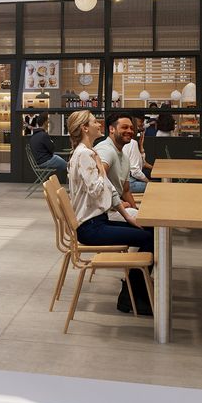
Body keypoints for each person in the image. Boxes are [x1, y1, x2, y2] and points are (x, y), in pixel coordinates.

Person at [64, 110, 151, 316]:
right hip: (90, 227)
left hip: (97, 221)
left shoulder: (89, 152)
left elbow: (110, 189)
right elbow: (97, 189)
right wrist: (102, 170)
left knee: (150, 232)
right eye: (95, 122)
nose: (99, 124)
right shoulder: (85, 154)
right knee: (150, 237)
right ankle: (133, 295)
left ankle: (133, 292)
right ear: (85, 128)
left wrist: (128, 215)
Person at [94, 112, 147, 199]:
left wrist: (135, 210)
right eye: (124, 127)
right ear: (112, 129)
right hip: (103, 210)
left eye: (131, 128)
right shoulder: (106, 150)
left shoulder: (125, 157)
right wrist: (119, 205)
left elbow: (126, 191)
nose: (130, 131)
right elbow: (97, 183)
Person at [28, 115, 67, 182]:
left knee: (62, 162)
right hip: (46, 161)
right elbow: (52, 148)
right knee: (69, 166)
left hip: (39, 161)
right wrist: (51, 142)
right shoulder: (44, 135)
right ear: (45, 122)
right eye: (47, 120)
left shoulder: (33, 136)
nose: (48, 122)